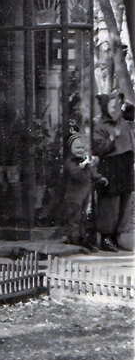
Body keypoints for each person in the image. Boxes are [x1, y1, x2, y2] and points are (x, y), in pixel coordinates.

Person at [92, 92, 135, 251]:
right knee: (110, 203)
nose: (116, 108)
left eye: (118, 105)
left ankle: (118, 236)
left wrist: (122, 96)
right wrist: (111, 138)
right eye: (112, 106)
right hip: (111, 164)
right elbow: (98, 149)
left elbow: (131, 108)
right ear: (105, 107)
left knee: (125, 200)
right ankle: (106, 238)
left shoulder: (122, 120)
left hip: (126, 163)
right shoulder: (100, 125)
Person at [55, 134, 106, 250]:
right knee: (74, 218)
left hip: (85, 194)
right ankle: (74, 239)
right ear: (71, 149)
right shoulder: (69, 162)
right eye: (77, 148)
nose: (80, 150)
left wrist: (99, 178)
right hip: (74, 196)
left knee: (83, 218)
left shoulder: (85, 161)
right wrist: (83, 166)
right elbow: (75, 174)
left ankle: (82, 239)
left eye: (82, 148)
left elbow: (92, 172)